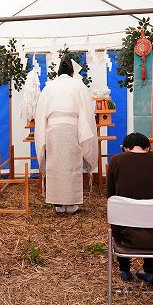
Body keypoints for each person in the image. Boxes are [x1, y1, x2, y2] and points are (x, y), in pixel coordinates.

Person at [107, 132, 153, 284]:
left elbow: (111, 197)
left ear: (125, 148)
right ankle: (149, 271)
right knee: (151, 215)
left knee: (119, 214)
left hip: (124, 233)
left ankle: (124, 269)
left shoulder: (116, 161)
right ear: (148, 148)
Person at [35, 55, 97, 214]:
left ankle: (58, 204)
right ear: (71, 73)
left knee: (55, 165)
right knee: (72, 165)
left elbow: (41, 113)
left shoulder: (49, 86)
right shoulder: (79, 85)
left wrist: (43, 136)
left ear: (58, 73)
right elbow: (87, 112)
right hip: (73, 128)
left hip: (53, 129)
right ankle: (72, 204)